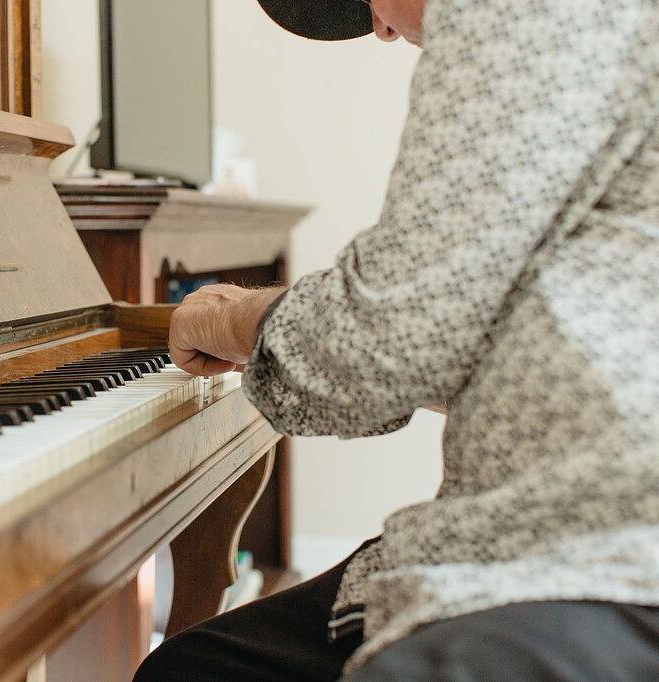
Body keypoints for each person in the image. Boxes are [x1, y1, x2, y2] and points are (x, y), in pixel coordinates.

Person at [135, 0, 659, 679]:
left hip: (597, 553)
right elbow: (477, 332)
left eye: (365, 6)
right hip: (593, 521)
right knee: (196, 666)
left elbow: (382, 344)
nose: (383, 31)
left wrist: (225, 318)